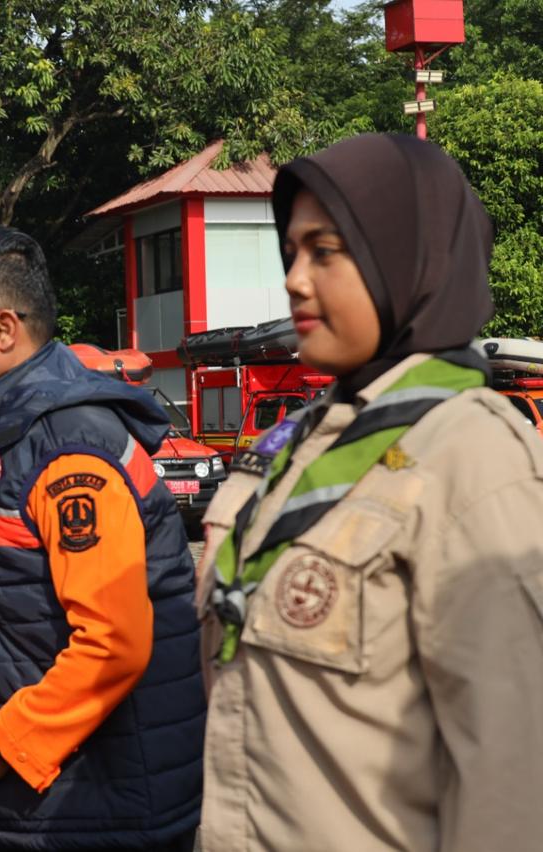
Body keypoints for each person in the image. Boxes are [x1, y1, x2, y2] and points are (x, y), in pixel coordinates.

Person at [196, 133, 543, 850]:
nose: (295, 280)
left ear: (408, 262)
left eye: (325, 251)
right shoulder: (302, 440)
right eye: (291, 253)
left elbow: (513, 783)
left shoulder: (475, 457)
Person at [0, 228, 205, 851]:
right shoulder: (11, 432)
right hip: (65, 796)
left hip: (102, 809)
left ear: (2, 329)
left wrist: (1, 744)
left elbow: (112, 642)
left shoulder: (68, 445)